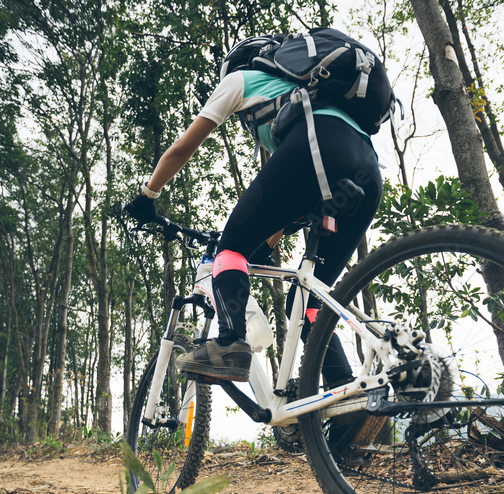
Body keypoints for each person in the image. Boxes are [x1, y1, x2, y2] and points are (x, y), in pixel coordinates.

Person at [125, 37, 383, 385]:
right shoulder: (306, 91)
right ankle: (344, 401)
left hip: (320, 143)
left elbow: (182, 148)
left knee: (230, 248)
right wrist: (268, 240)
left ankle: (231, 343)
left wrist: (147, 195)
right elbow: (290, 196)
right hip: (367, 170)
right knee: (306, 301)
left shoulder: (240, 80)